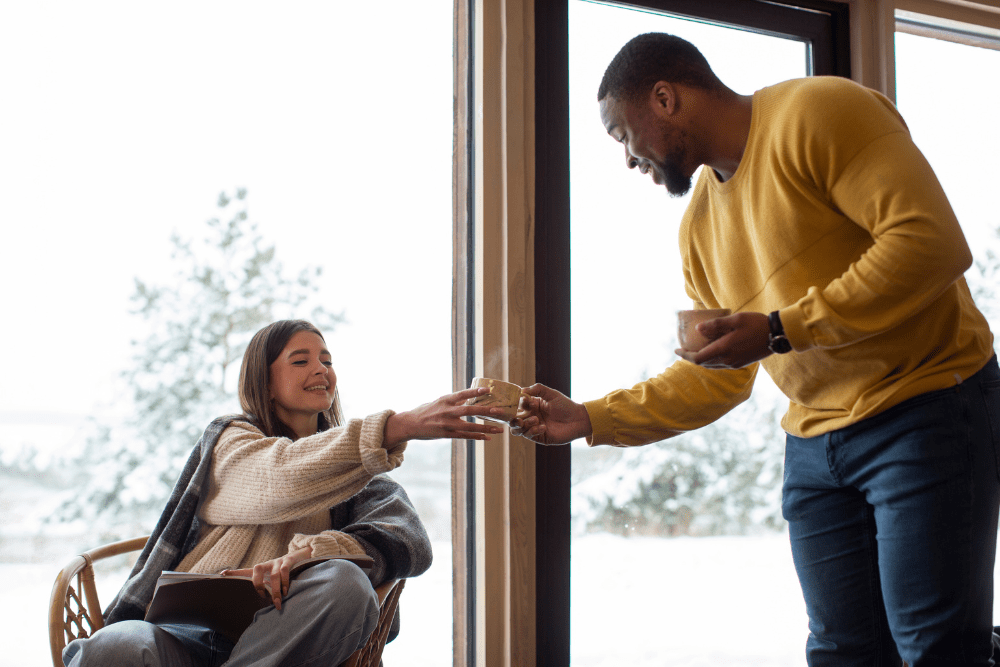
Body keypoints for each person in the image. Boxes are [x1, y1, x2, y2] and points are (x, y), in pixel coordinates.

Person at [512, 32, 1000, 667]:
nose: (627, 159)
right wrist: (591, 418)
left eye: (619, 135)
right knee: (841, 653)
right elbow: (718, 377)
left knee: (937, 651)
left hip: (927, 408)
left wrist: (779, 329)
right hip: (816, 449)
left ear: (664, 98)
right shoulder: (698, 229)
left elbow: (929, 244)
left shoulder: (821, 111)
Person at [64, 319, 506, 667]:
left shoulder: (360, 475)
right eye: (301, 361)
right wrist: (398, 426)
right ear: (265, 379)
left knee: (348, 584)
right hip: (182, 637)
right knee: (115, 646)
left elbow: (410, 541)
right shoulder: (230, 441)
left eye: (327, 360)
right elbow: (282, 479)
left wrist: (312, 554)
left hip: (288, 641)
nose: (321, 369)